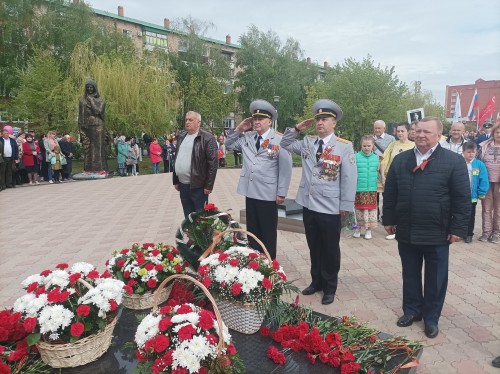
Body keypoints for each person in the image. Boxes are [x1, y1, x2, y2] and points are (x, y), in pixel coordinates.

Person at [383, 117, 470, 338]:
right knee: (410, 274)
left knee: (436, 278)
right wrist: (389, 219)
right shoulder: (401, 160)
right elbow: (391, 193)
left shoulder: (453, 161)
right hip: (407, 229)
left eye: (427, 132)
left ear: (439, 135)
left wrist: (458, 228)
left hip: (438, 231)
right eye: (418, 131)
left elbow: (462, 198)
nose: (421, 135)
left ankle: (431, 318)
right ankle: (412, 311)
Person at [281, 99, 357, 305]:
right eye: (318, 120)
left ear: (334, 123)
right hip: (308, 204)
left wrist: (346, 206)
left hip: (331, 207)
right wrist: (297, 128)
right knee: (314, 245)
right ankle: (316, 282)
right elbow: (284, 143)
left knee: (330, 248)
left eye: (325, 119)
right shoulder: (308, 142)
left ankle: (330, 287)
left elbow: (349, 178)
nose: (320, 123)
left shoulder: (344, 146)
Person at [225, 100, 292, 259]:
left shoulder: (280, 140)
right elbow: (228, 144)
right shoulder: (247, 137)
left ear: (270, 121)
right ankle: (255, 263)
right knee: (252, 231)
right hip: (250, 192)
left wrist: (281, 192)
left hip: (268, 193)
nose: (256, 122)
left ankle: (269, 264)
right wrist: (239, 129)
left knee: (267, 232)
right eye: (254, 119)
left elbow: (286, 168)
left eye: (261, 119)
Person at [173, 111, 218, 218]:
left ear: (198, 122)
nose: (187, 122)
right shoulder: (181, 137)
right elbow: (178, 158)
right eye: (186, 120)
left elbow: (213, 163)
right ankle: (191, 234)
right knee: (188, 216)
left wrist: (209, 185)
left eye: (190, 120)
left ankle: (202, 235)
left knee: (201, 217)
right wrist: (176, 180)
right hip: (183, 185)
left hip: (198, 186)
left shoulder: (207, 138)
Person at [380, 122, 415, 239]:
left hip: (407, 180)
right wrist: (383, 176)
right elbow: (384, 160)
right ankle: (393, 229)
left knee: (404, 204)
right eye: (398, 131)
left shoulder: (413, 146)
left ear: (408, 132)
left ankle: (402, 229)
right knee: (391, 202)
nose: (400, 133)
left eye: (402, 131)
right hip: (392, 178)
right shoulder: (393, 145)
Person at [353, 135, 381, 240]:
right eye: (364, 145)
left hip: (371, 189)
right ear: (361, 145)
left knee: (370, 211)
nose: (366, 148)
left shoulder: (376, 158)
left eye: (369, 145)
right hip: (359, 188)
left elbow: (378, 173)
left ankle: (369, 230)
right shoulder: (355, 157)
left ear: (373, 145)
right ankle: (358, 228)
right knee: (358, 210)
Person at [476, 122, 500, 243]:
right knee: (486, 208)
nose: (499, 134)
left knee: (498, 209)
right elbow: (479, 162)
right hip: (486, 182)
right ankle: (486, 232)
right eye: (497, 132)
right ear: (493, 133)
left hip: (499, 183)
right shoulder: (485, 146)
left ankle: (497, 233)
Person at [462, 142, 489, 243]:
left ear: (476, 152)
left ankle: (469, 234)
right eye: (468, 152)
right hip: (460, 195)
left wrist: (482, 192)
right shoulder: (459, 162)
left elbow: (484, 179)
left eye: (473, 152)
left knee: (470, 215)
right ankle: (460, 232)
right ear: (463, 152)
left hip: (472, 196)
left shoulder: (479, 164)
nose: (471, 154)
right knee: (459, 214)